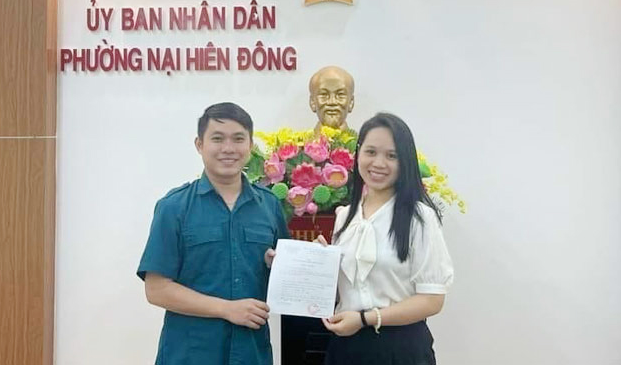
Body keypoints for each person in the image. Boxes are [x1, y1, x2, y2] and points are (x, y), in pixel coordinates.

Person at [137, 102, 289, 365]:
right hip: (190, 355)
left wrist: (299, 262)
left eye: (238, 139)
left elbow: (286, 284)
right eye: (217, 139)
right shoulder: (174, 207)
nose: (228, 148)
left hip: (251, 354)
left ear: (251, 145)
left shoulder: (270, 206)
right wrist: (227, 309)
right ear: (199, 145)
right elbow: (156, 289)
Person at [316, 112, 454, 365]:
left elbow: (432, 300)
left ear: (406, 162)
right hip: (346, 347)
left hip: (401, 349)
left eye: (391, 155)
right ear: (358, 154)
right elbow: (342, 291)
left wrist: (366, 318)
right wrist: (316, 262)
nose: (378, 163)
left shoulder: (420, 218)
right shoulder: (345, 216)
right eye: (370, 152)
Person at [309, 66, 355, 134]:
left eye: (340, 95)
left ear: (351, 102)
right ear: (312, 102)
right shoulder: (299, 143)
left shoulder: (363, 143)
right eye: (324, 94)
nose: (332, 102)